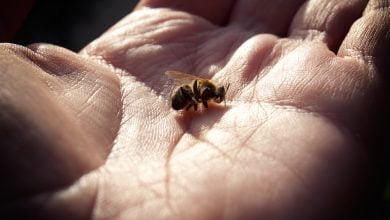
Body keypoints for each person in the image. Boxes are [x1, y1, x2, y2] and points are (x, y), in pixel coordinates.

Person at [0, 0, 388, 219]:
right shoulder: (200, 99)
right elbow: (196, 102)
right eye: (214, 98)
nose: (216, 101)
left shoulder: (204, 90)